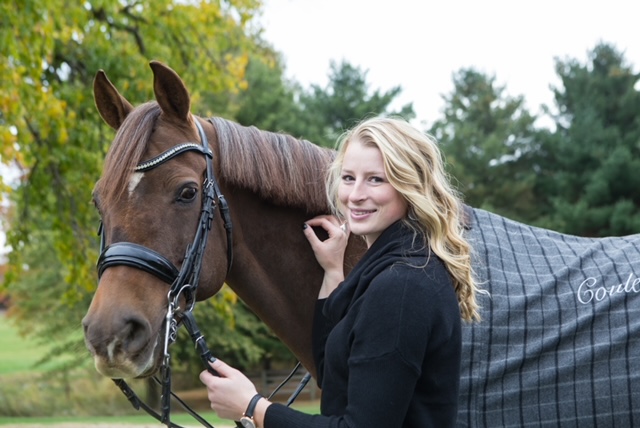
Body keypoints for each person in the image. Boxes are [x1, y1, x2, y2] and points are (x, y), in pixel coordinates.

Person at [199, 116, 481, 427]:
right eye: (348, 177)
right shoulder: (392, 265)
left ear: (409, 186)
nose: (355, 195)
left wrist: (254, 408)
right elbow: (330, 368)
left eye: (376, 179)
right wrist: (333, 271)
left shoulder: (402, 285)